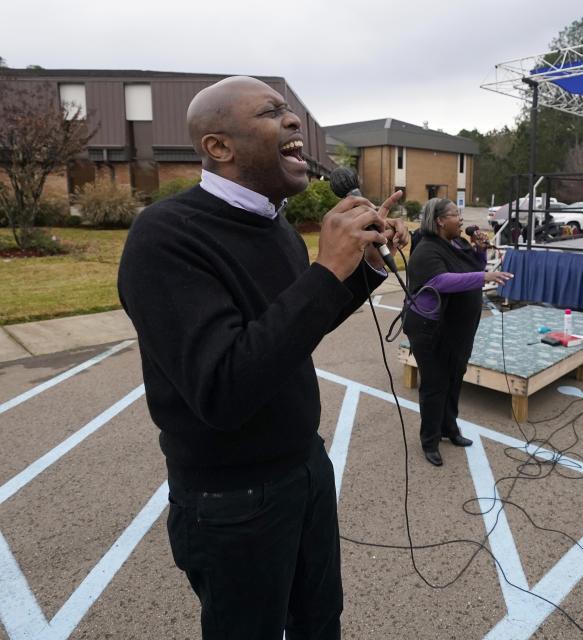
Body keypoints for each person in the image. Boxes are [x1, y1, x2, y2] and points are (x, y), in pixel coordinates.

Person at [117, 76, 408, 639]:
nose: (294, 121)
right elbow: (223, 389)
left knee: (320, 621)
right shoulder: (165, 236)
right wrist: (325, 270)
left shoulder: (274, 225)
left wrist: (363, 266)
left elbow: (292, 331)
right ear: (219, 147)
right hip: (231, 500)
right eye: (273, 112)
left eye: (293, 112)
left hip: (305, 467)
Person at [403, 198, 512, 466]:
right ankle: (429, 440)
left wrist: (480, 252)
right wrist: (483, 278)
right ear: (440, 220)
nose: (461, 220)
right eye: (455, 215)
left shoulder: (459, 244)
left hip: (457, 329)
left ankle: (449, 429)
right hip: (430, 329)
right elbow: (441, 281)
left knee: (454, 378)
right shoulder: (426, 250)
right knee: (435, 383)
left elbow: (474, 268)